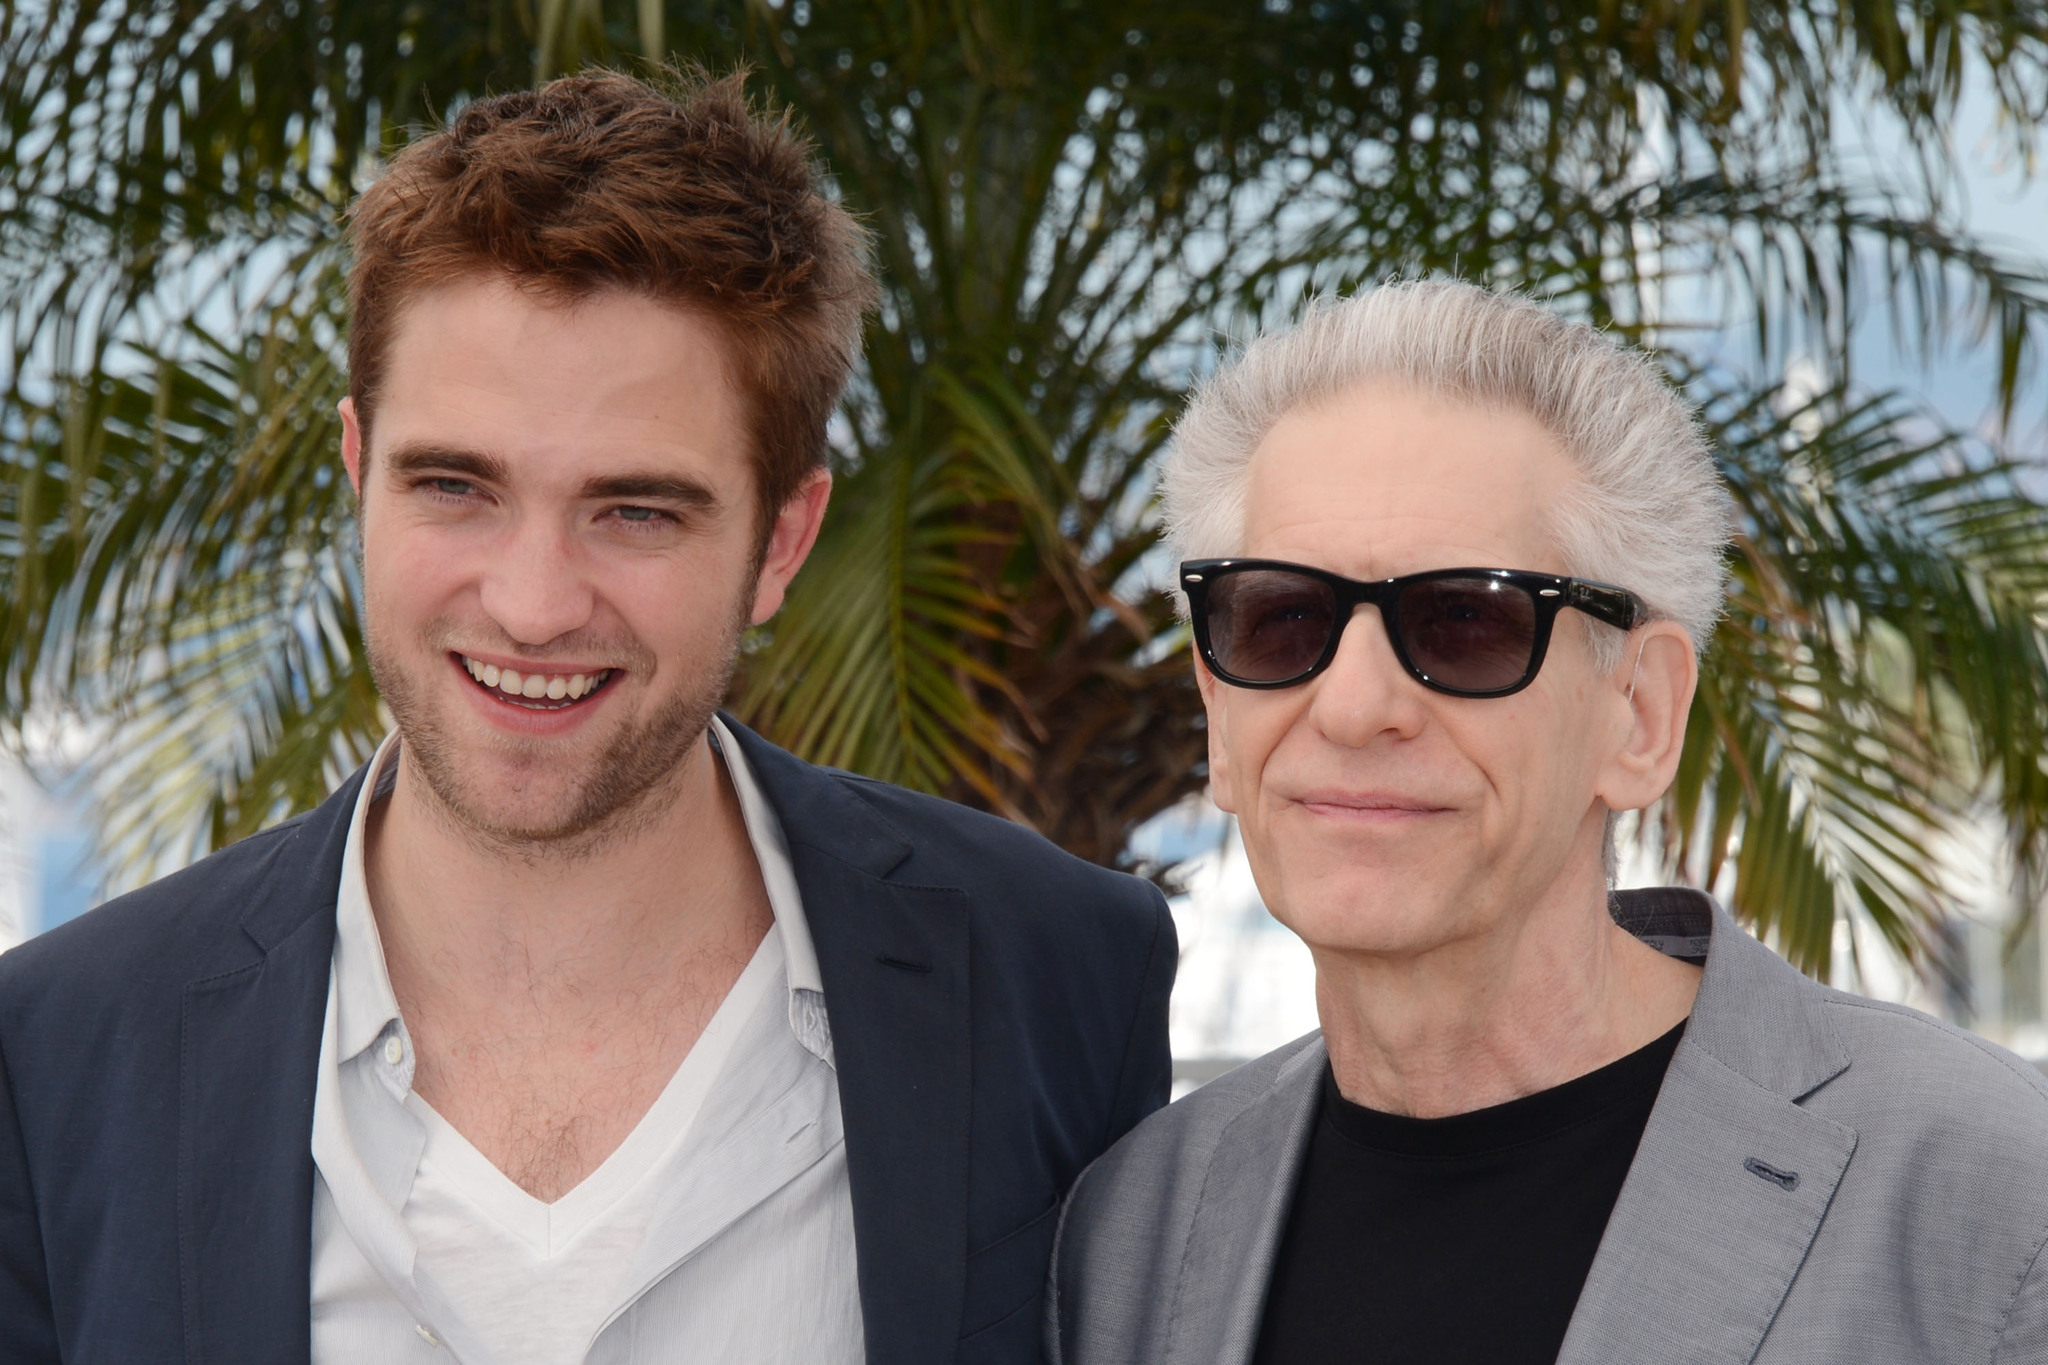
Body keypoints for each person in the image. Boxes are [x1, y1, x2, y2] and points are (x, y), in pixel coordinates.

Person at [0, 70, 1175, 1365]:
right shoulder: (61, 1052)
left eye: (636, 510)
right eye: (455, 485)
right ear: (357, 474)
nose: (533, 603)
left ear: (784, 541)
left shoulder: (1057, 974)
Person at [1046, 280, 2048, 1365]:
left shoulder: (1985, 1195)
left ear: (1641, 714)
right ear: (1216, 710)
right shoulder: (1131, 1233)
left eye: (1464, 620)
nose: (1352, 705)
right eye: (1283, 620)